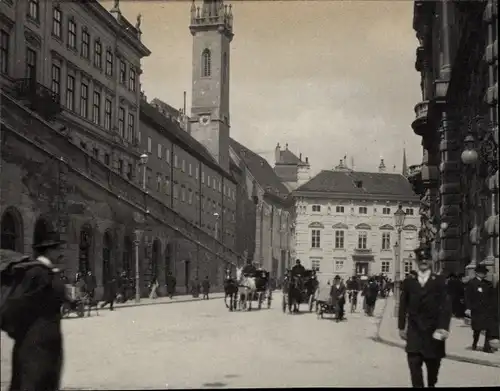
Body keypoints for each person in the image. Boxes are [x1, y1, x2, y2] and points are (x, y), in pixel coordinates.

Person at [6, 229, 72, 391]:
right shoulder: (36, 273)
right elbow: (16, 305)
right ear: (49, 250)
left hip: (47, 347)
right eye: (58, 249)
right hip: (34, 348)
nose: (60, 253)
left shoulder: (49, 272)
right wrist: (25, 334)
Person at [398, 246, 451, 388]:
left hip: (434, 332)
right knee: (414, 367)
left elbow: (446, 307)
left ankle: (431, 385)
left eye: (426, 259)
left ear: (431, 261)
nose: (423, 261)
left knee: (433, 370)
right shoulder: (409, 282)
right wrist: (401, 326)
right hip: (414, 331)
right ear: (416, 261)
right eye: (421, 259)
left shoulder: (439, 281)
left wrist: (443, 327)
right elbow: (403, 305)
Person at [465, 264, 496, 353]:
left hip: (487, 310)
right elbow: (467, 297)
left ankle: (487, 347)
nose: (484, 274)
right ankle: (475, 342)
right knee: (477, 329)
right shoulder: (471, 283)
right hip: (476, 310)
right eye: (483, 272)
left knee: (489, 328)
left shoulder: (488, 284)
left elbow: (492, 296)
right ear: (477, 273)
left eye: (485, 272)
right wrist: (468, 308)